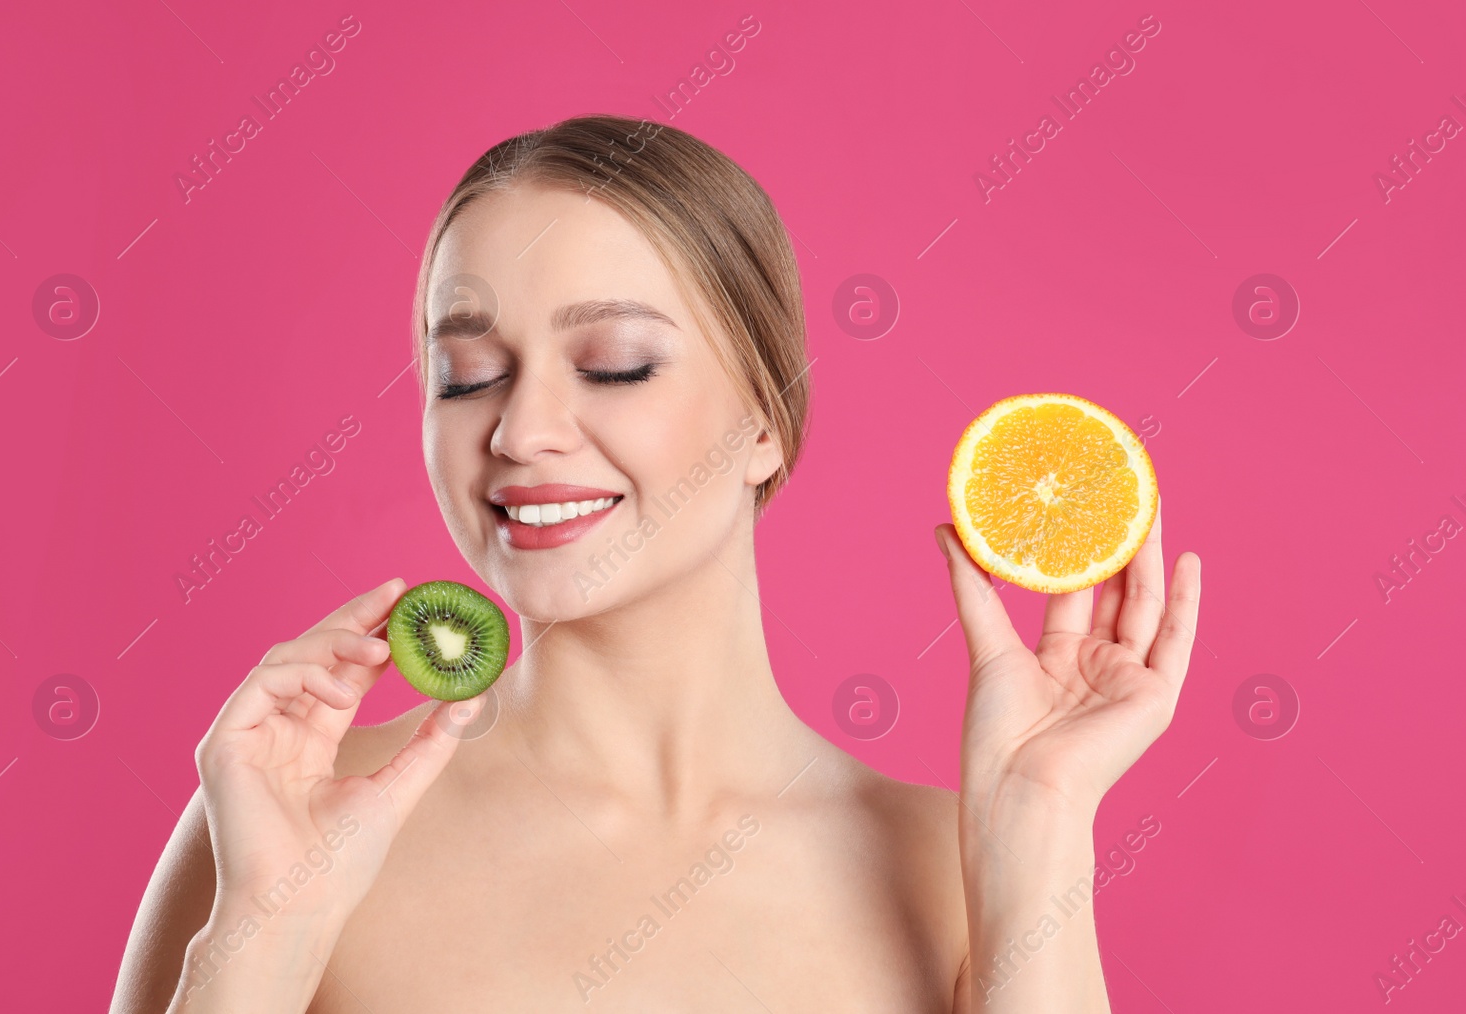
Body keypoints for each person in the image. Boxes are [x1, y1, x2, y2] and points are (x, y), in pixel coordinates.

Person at [109, 113, 1201, 1013]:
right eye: (466, 373)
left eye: (617, 366)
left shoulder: (957, 874)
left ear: (766, 422)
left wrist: (1040, 825)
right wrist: (259, 941)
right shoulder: (287, 822)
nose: (523, 429)